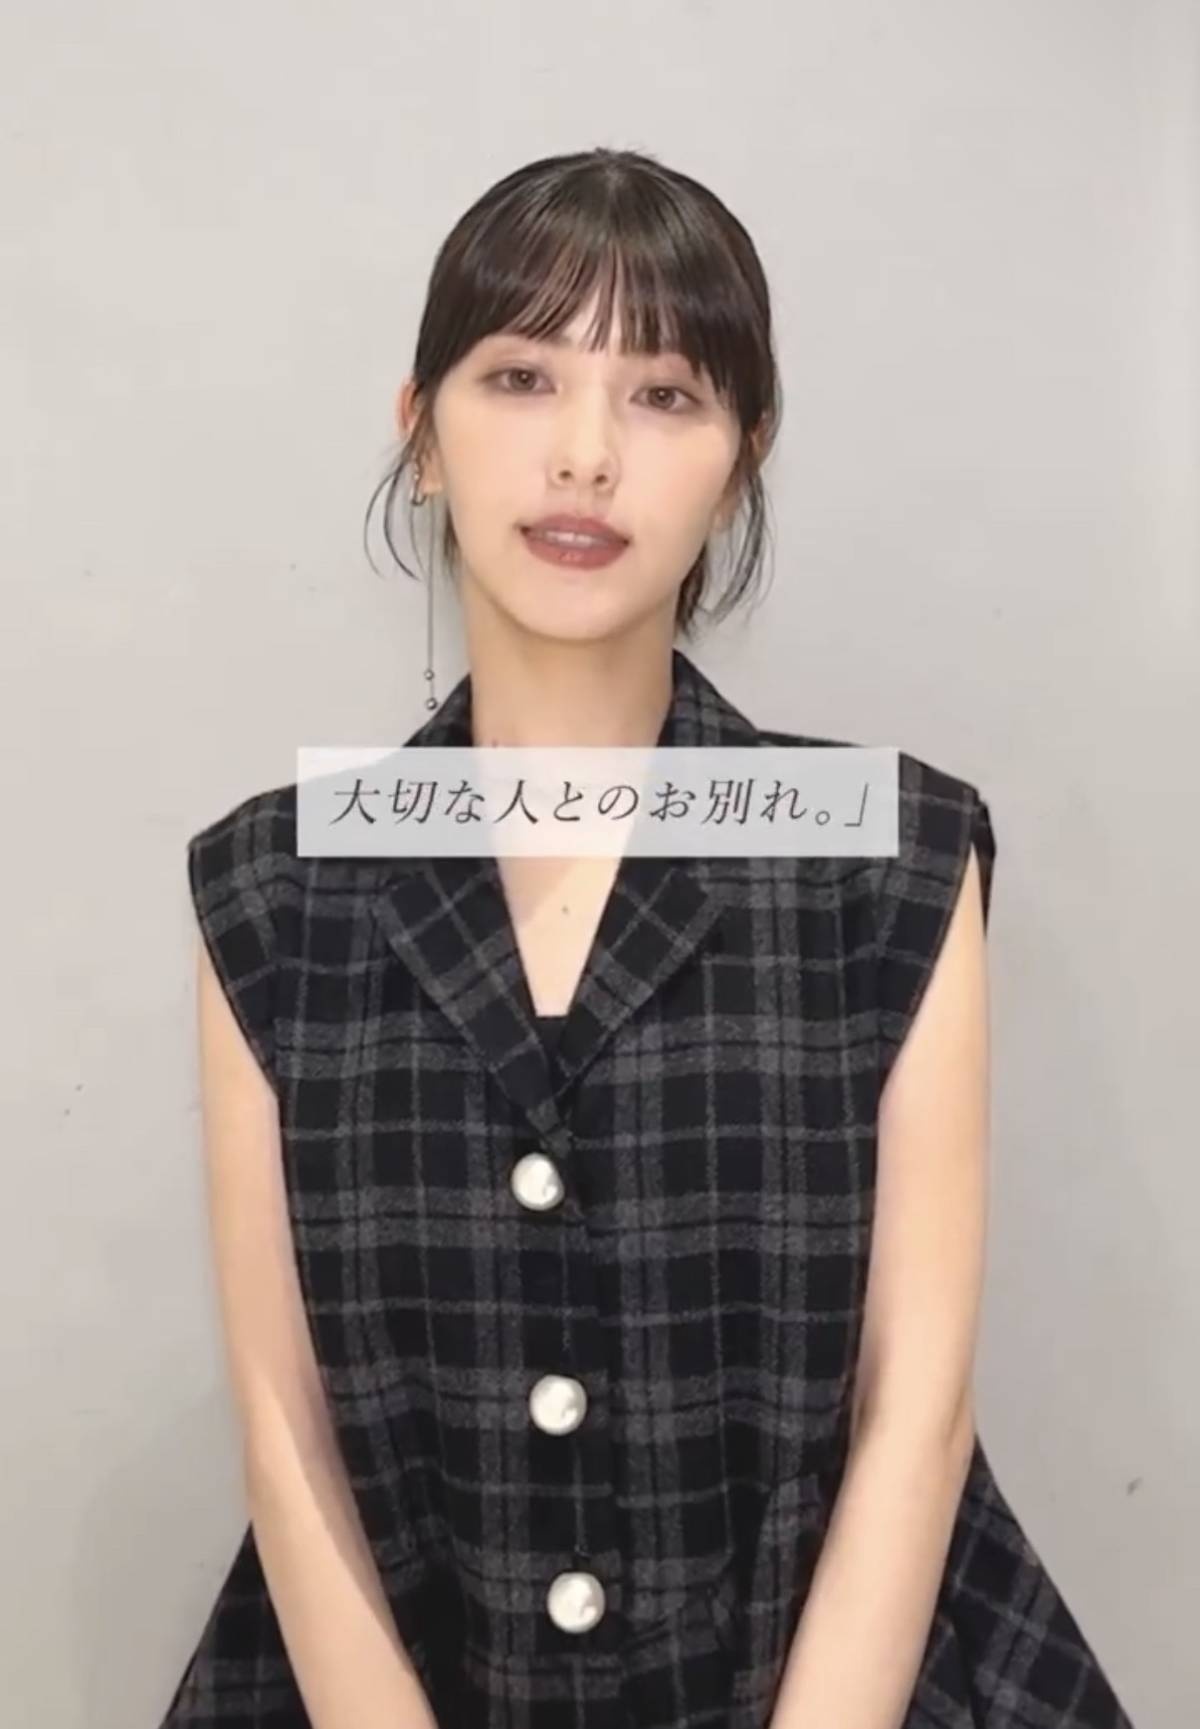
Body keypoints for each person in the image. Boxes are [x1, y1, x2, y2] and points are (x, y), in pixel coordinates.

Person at [161, 148, 1134, 1728]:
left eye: (666, 395)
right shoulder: (274, 884)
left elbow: (914, 1412)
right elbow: (289, 1435)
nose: (586, 454)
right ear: (420, 433)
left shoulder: (889, 853)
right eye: (521, 377)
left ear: (743, 460)